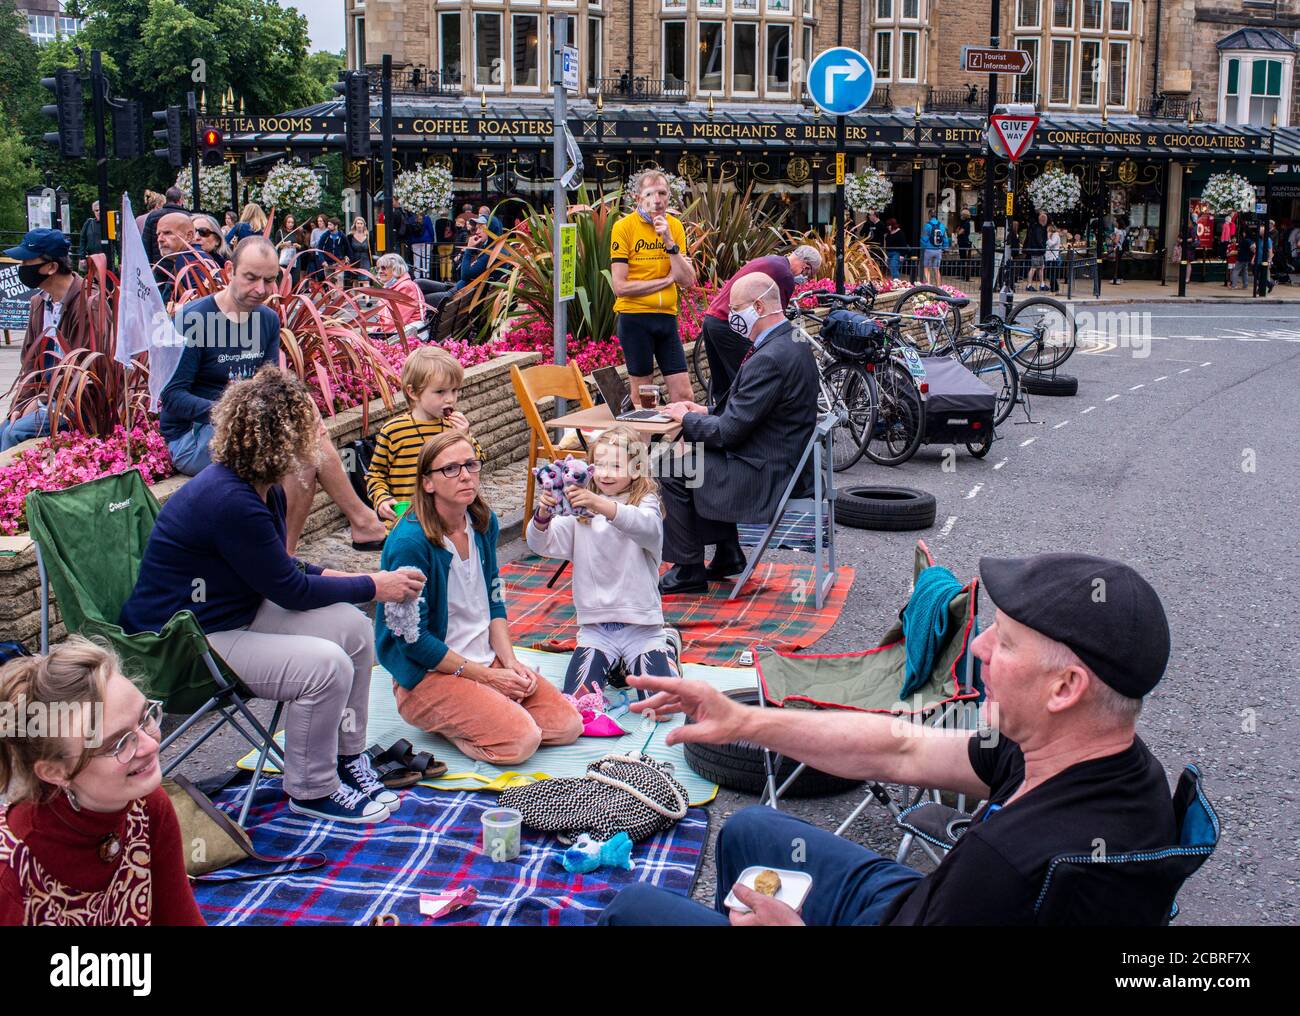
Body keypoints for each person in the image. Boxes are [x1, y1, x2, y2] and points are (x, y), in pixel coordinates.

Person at [600, 552, 1179, 926]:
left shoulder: (1010, 865)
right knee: (750, 830)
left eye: (1002, 643)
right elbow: (901, 747)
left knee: (629, 910)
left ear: (1065, 687)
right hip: (911, 908)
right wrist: (745, 721)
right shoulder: (1087, 754)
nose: (976, 650)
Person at [122, 368, 423, 824]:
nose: (322, 433)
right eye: (312, 426)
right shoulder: (230, 501)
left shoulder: (263, 490)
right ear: (282, 439)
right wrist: (372, 585)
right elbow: (290, 590)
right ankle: (312, 789)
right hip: (188, 643)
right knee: (326, 665)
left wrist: (341, 577)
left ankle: (346, 757)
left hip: (236, 615)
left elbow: (282, 569)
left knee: (356, 631)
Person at [160, 236, 388, 551]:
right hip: (195, 434)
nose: (261, 289)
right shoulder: (194, 319)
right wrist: (235, 411)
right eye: (251, 278)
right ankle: (354, 523)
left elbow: (267, 385)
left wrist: (281, 407)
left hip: (247, 423)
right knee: (300, 454)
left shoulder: (266, 319)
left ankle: (285, 555)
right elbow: (172, 397)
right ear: (229, 271)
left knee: (306, 441)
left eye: (269, 280)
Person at [374, 431, 583, 764]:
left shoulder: (483, 522)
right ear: (427, 482)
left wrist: (511, 663)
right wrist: (487, 678)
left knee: (568, 725)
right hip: (429, 673)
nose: (465, 475)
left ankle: (485, 707)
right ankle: (455, 722)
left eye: (471, 464)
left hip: (485, 657)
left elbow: (494, 598)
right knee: (522, 741)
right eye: (451, 469)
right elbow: (413, 641)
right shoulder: (410, 543)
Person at [0, 638, 205, 925]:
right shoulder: (13, 871)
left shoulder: (145, 806)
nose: (148, 745)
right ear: (55, 772)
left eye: (145, 717)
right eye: (117, 744)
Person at [656, 273, 817, 595]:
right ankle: (728, 554)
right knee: (697, 461)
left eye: (736, 308)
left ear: (758, 306)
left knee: (670, 468)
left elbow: (728, 433)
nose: (730, 316)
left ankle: (688, 569)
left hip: (765, 472)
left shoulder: (770, 357)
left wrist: (686, 419)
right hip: (779, 457)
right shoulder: (791, 341)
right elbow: (752, 413)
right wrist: (704, 412)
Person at [527, 425, 680, 697]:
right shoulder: (580, 509)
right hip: (596, 628)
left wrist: (598, 504)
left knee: (660, 707)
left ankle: (666, 648)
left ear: (636, 470)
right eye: (599, 464)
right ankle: (616, 665)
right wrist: (543, 513)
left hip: (642, 626)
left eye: (617, 465)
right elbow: (542, 543)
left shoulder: (645, 502)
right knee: (578, 702)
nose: (606, 473)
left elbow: (645, 527)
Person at [0, 229, 99, 451]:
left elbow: (86, 370)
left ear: (52, 267)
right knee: (5, 428)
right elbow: (29, 362)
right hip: (46, 395)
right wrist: (21, 402)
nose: (22, 268)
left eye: (27, 262)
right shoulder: (39, 301)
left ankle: (16, 485)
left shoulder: (89, 302)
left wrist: (42, 400)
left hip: (76, 400)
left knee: (14, 433)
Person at [366, 346, 486, 527]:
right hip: (406, 524)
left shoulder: (453, 429)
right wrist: (382, 499)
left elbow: (477, 463)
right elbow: (376, 474)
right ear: (413, 392)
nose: (450, 399)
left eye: (454, 390)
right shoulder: (394, 431)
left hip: (447, 523)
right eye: (440, 392)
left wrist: (465, 437)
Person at [609, 169, 698, 406]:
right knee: (643, 398)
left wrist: (669, 241)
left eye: (662, 193)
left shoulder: (675, 227)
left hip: (666, 318)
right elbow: (620, 286)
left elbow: (688, 280)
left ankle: (681, 445)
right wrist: (667, 280)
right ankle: (643, 444)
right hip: (635, 317)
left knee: (684, 395)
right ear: (638, 198)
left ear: (669, 197)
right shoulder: (623, 227)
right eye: (650, 194)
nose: (657, 200)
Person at [699, 245, 822, 399]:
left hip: (713, 319)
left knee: (722, 386)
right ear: (806, 266)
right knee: (747, 380)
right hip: (731, 324)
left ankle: (718, 419)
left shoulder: (773, 261)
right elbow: (777, 320)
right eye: (808, 275)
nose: (805, 280)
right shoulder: (784, 275)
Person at [154, 211, 214, 305]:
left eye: (167, 233)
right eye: (158, 234)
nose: (160, 239)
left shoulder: (188, 260)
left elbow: (202, 302)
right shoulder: (195, 256)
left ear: (189, 236)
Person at [374, 253, 426, 336]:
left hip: (406, 336)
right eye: (378, 268)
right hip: (401, 333)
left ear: (396, 269)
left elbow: (396, 321)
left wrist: (376, 334)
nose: (380, 271)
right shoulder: (393, 286)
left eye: (383, 268)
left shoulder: (406, 287)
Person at [141, 186, 188, 265]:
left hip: (159, 265)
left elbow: (146, 244)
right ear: (180, 200)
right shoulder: (188, 217)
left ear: (166, 199)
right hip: (182, 265)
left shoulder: (152, 216)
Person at [451, 214, 495, 292]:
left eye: (481, 228)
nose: (477, 232)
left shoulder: (491, 253)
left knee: (422, 286)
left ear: (491, 229)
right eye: (477, 228)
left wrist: (469, 249)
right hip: (458, 289)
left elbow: (464, 276)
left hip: (457, 294)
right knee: (422, 283)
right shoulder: (489, 249)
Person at [919, 208, 948, 286]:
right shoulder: (942, 226)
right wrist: (944, 248)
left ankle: (929, 285)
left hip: (928, 250)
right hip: (938, 250)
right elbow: (945, 239)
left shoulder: (927, 226)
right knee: (937, 269)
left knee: (926, 268)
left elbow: (923, 239)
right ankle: (938, 287)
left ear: (929, 215)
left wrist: (923, 248)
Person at [1024, 211, 1048, 291]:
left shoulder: (1038, 227)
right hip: (1037, 250)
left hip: (1038, 250)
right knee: (1034, 268)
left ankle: (1042, 284)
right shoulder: (1038, 228)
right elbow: (1038, 240)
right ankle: (1029, 285)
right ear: (1043, 220)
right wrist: (1043, 247)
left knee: (1041, 267)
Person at [345, 215, 372, 286]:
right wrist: (347, 257)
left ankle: (366, 297)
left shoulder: (368, 236)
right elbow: (347, 248)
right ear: (355, 225)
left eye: (361, 223)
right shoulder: (350, 236)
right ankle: (357, 297)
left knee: (365, 280)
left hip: (365, 259)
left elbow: (371, 249)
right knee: (355, 280)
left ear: (364, 225)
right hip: (354, 259)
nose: (359, 225)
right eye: (358, 223)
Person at [77, 200, 102, 270]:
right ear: (93, 211)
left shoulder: (110, 223)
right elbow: (82, 240)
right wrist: (82, 257)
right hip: (92, 258)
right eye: (96, 210)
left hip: (107, 259)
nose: (99, 212)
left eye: (100, 210)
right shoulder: (89, 223)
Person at [955, 208, 973, 280]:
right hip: (961, 242)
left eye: (962, 215)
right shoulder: (962, 223)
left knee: (964, 259)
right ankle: (962, 274)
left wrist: (959, 230)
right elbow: (957, 231)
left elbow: (959, 232)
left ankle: (964, 275)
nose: (961, 216)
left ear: (965, 216)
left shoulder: (966, 223)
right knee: (962, 258)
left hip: (964, 242)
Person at [1110, 216, 1128, 285]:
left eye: (1116, 223)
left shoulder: (1118, 232)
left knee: (1117, 264)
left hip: (1117, 248)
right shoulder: (1124, 231)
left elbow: (1116, 241)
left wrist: (1112, 238)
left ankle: (1116, 278)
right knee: (1119, 263)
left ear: (1119, 224)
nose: (1116, 224)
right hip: (1121, 249)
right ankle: (1120, 278)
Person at [1044, 223, 1062, 293]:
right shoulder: (1053, 235)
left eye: (1047, 230)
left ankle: (1053, 290)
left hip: (1052, 258)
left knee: (1051, 275)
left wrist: (1048, 237)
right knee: (1051, 275)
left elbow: (1051, 244)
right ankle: (1056, 290)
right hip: (1049, 258)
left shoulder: (1055, 235)